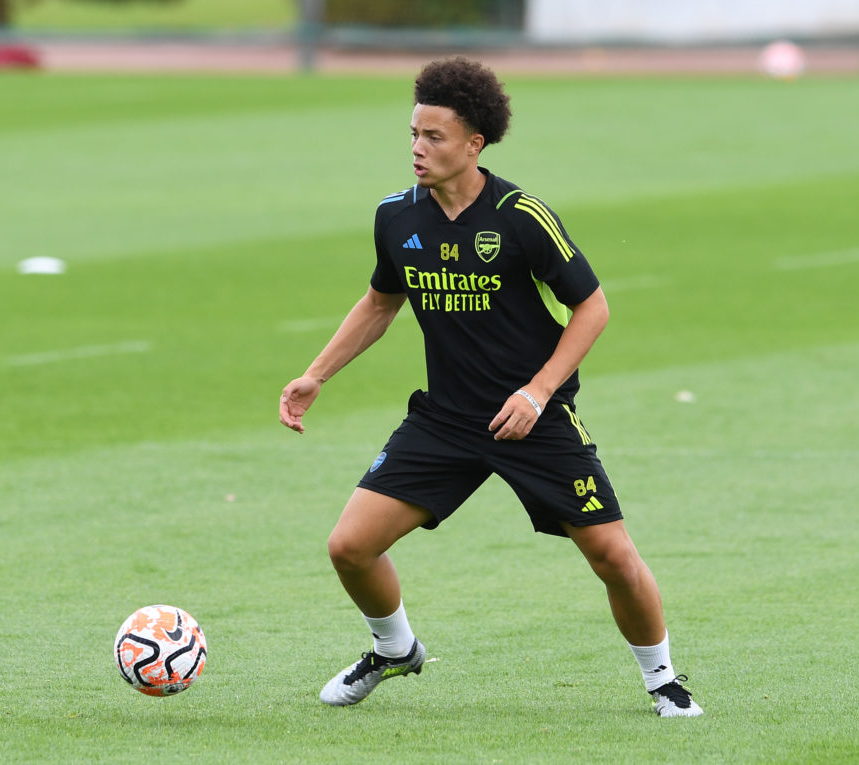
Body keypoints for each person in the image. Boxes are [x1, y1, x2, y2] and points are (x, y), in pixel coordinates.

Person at [279, 57, 702, 718]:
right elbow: (380, 302)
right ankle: (395, 649)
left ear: (474, 144)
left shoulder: (521, 216)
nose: (418, 148)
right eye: (414, 134)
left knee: (613, 556)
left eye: (435, 137)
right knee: (350, 545)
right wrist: (315, 373)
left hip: (534, 419)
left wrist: (537, 391)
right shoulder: (396, 218)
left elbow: (592, 307)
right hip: (445, 420)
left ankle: (663, 679)